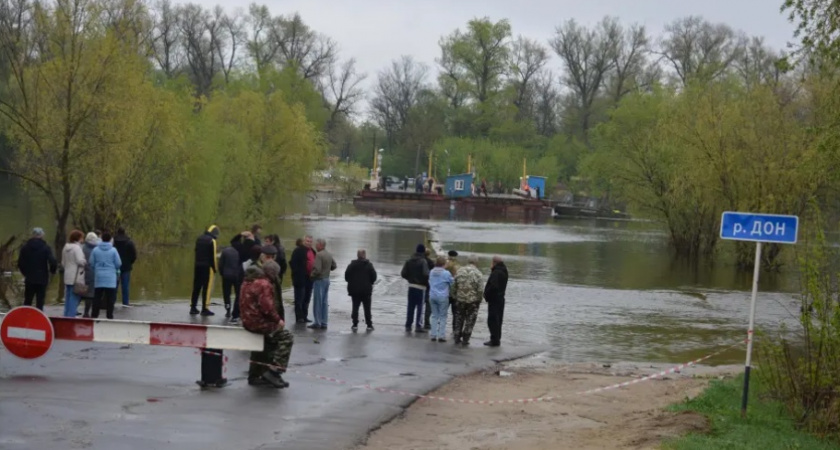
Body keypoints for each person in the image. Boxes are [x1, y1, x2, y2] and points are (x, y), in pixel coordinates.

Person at [239, 265, 293, 389]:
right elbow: (267, 308)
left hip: (247, 322)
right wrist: (278, 320)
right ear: (273, 273)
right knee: (286, 337)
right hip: (259, 323)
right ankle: (274, 372)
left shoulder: (246, 282)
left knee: (263, 342)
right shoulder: (264, 284)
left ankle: (255, 375)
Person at [17, 227, 57, 311]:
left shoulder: (25, 247)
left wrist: (26, 273)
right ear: (42, 235)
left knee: (28, 300)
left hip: (30, 278)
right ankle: (38, 320)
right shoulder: (46, 247)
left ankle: (25, 318)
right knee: (40, 301)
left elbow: (20, 263)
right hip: (42, 278)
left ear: (32, 235)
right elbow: (52, 261)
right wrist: (52, 271)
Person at [90, 232, 122, 320]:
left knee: (97, 297)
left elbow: (91, 262)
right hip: (110, 278)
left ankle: (94, 315)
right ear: (110, 239)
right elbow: (118, 263)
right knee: (110, 299)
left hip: (99, 277)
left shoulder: (95, 250)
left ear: (101, 239)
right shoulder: (113, 250)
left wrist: (97, 268)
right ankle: (109, 315)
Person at [452, 256, 483, 346]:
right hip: (472, 301)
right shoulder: (478, 274)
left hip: (460, 299)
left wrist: (454, 296)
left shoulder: (459, 271)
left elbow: (454, 285)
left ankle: (457, 337)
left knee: (458, 318)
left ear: (468, 261)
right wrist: (479, 299)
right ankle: (466, 339)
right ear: (476, 263)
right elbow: (480, 289)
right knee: (470, 320)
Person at [190, 225, 220, 316]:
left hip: (197, 265)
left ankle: (193, 307)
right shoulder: (212, 241)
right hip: (207, 267)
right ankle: (205, 308)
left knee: (196, 287)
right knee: (207, 288)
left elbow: (196, 251)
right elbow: (213, 257)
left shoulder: (199, 238)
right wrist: (215, 269)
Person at [344, 249, 377, 331]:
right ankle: (369, 325)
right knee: (367, 308)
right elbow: (374, 277)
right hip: (366, 291)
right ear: (364, 255)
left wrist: (351, 282)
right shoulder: (369, 265)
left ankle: (355, 324)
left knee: (355, 307)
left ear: (357, 255)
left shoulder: (351, 265)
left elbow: (346, 276)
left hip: (354, 290)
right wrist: (370, 282)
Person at [400, 244, 429, 333]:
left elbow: (403, 273)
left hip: (411, 286)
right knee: (420, 307)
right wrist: (425, 281)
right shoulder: (423, 261)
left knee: (410, 306)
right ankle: (418, 326)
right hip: (421, 287)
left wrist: (410, 279)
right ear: (423, 251)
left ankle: (408, 325)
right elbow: (426, 274)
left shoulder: (409, 260)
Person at [231, 245, 263, 325]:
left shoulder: (244, 264)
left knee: (238, 299)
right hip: (253, 287)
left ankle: (235, 316)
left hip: (242, 285)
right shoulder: (260, 266)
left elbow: (239, 276)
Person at [309, 238, 336, 330]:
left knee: (317, 302)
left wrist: (311, 275)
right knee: (324, 302)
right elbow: (334, 265)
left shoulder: (319, 255)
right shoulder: (329, 254)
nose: (315, 246)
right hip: (326, 279)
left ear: (320, 245)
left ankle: (317, 322)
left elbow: (317, 269)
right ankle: (324, 322)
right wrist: (327, 269)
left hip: (319, 280)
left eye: (316, 244)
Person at [290, 236, 316, 323]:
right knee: (299, 298)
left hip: (310, 278)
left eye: (310, 241)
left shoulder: (312, 251)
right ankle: (299, 317)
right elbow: (292, 263)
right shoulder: (298, 250)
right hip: (300, 278)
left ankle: (305, 316)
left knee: (307, 298)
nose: (308, 243)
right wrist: (297, 273)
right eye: (307, 241)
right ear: (304, 241)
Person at [483, 256, 509, 347]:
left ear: (494, 262)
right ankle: (497, 338)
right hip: (501, 298)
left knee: (492, 320)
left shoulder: (496, 272)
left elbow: (493, 286)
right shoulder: (504, 271)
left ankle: (494, 340)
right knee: (499, 319)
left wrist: (486, 294)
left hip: (494, 299)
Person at [428, 256, 454, 342]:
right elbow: (452, 283)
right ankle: (441, 336)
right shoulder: (446, 273)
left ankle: (433, 335)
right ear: (443, 264)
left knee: (434, 315)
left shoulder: (431, 272)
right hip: (442, 297)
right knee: (443, 316)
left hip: (432, 296)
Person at [61, 230, 86, 318]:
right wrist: (85, 262)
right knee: (74, 297)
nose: (83, 239)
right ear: (78, 238)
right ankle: (71, 316)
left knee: (68, 297)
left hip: (67, 275)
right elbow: (80, 261)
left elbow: (63, 262)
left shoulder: (65, 247)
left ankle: (66, 314)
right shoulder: (77, 248)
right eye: (82, 237)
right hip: (76, 276)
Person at [113, 227, 137, 307]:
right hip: (126, 267)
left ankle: (112, 302)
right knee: (125, 286)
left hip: (114, 267)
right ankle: (125, 302)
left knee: (114, 285)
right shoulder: (129, 242)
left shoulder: (113, 242)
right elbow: (134, 255)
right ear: (124, 232)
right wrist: (130, 262)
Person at [219, 241, 241, 318]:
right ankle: (237, 310)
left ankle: (228, 310)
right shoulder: (240, 252)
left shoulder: (225, 251)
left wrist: (222, 273)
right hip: (237, 276)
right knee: (238, 294)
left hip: (226, 275)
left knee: (226, 294)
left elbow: (221, 264)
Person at [80, 232, 99, 317]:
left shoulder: (82, 248)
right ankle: (87, 312)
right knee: (90, 294)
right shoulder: (96, 249)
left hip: (82, 273)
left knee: (80, 292)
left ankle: (73, 310)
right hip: (93, 273)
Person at [445, 250, 460, 317]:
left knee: (444, 310)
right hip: (453, 290)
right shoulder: (454, 265)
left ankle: (439, 324)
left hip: (447, 290)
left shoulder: (446, 263)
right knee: (455, 312)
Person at [422, 248, 434, 330]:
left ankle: (418, 322)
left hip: (419, 285)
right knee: (428, 306)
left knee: (419, 305)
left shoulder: (418, 261)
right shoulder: (431, 262)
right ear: (429, 254)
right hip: (428, 286)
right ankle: (427, 323)